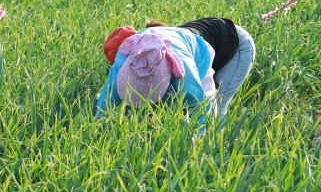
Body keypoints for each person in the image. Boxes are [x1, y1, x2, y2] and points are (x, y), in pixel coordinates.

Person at [98, 17, 255, 123]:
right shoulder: (126, 56)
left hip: (236, 44)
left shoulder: (182, 72)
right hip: (195, 41)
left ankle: (215, 153)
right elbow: (106, 100)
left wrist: (197, 147)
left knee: (216, 105)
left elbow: (200, 108)